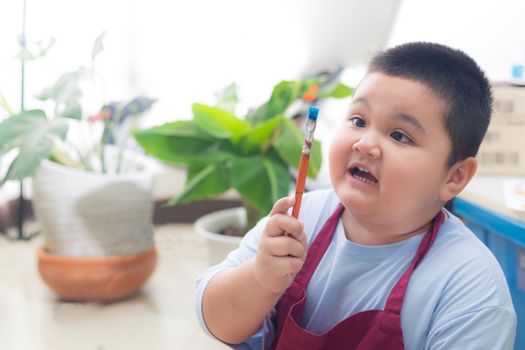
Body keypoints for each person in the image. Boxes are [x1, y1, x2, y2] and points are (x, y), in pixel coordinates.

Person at [195, 42, 517, 349]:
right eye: (358, 120)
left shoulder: (471, 289)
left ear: (455, 176)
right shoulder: (301, 217)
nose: (364, 143)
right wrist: (261, 279)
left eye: (399, 135)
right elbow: (215, 321)